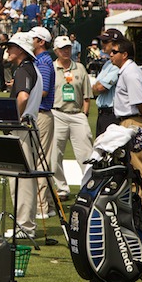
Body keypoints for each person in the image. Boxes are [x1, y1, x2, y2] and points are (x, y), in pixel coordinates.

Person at [3, 31, 43, 240]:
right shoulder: (30, 68)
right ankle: (24, 224)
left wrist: (13, 118)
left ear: (20, 49)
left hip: (23, 127)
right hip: (29, 126)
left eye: (10, 47)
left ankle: (25, 227)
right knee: (21, 178)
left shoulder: (23, 70)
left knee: (22, 178)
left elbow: (23, 96)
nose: (8, 50)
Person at [47, 36, 93, 213]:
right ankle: (62, 188)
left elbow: (87, 95)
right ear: (56, 50)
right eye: (62, 48)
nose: (66, 51)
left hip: (77, 114)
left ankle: (89, 187)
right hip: (56, 113)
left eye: (68, 48)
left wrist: (84, 114)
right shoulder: (51, 68)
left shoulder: (79, 68)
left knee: (86, 153)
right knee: (54, 155)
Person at [111, 38, 142, 212]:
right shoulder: (127, 72)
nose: (110, 55)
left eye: (114, 52)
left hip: (132, 121)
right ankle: (134, 205)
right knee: (130, 165)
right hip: (128, 121)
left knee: (136, 165)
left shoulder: (130, 74)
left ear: (124, 54)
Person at [30, 27, 57, 216]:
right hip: (40, 114)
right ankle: (49, 204)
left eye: (33, 38)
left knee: (39, 161)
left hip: (41, 113)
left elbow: (44, 90)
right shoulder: (40, 61)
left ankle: (42, 208)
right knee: (40, 159)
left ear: (41, 42)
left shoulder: (44, 62)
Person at [92, 28, 123, 137]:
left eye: (106, 42)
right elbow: (95, 89)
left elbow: (100, 87)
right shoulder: (107, 64)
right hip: (103, 113)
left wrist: (95, 87)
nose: (102, 44)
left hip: (112, 114)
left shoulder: (117, 65)